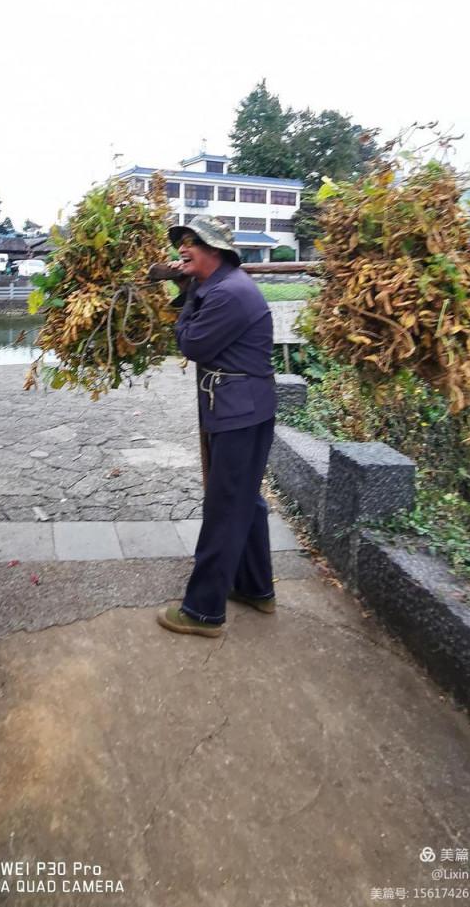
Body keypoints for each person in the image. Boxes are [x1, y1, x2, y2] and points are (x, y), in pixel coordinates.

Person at [156, 216, 277, 638]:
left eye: (192, 242)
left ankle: (203, 611)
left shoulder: (228, 294)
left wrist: (188, 293)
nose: (182, 248)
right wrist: (189, 286)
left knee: (225, 508)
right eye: (182, 242)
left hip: (239, 412)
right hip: (242, 408)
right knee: (245, 501)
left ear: (216, 251)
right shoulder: (223, 287)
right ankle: (257, 589)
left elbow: (191, 343)